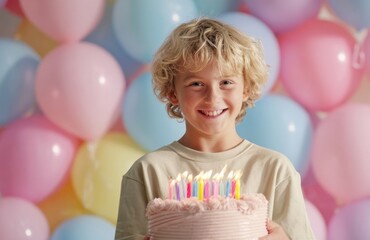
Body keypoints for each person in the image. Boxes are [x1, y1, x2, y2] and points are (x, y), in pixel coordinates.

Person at [115, 18, 315, 240]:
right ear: (173, 93)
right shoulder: (148, 172)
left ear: (246, 88)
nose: (213, 98)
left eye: (226, 82)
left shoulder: (275, 170)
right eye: (196, 84)